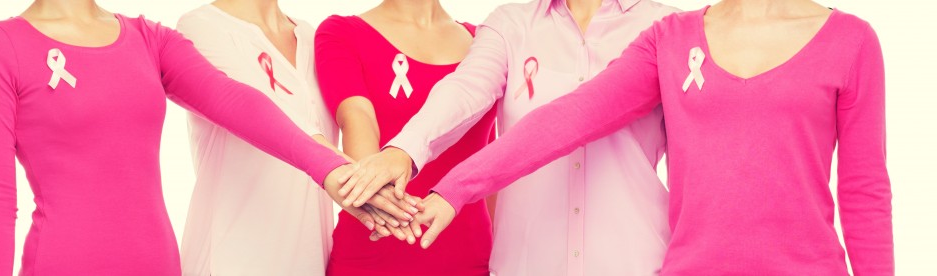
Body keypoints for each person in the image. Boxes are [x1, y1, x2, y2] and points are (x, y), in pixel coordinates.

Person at [413, 0, 893, 275]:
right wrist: (454, 189)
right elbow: (570, 117)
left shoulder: (851, 41)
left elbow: (864, 194)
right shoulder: (671, 38)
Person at [0, 0, 377, 274]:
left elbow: (235, 101)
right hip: (63, 264)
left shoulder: (148, 39)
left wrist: (332, 169)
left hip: (158, 264)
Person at [344, 0, 680, 274]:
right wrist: (404, 149)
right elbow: (465, 89)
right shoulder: (510, 25)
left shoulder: (668, 28)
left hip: (634, 262)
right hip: (526, 264)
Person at [173, 0, 418, 274]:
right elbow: (270, 116)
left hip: (310, 259)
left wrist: (378, 185)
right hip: (230, 259)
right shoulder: (201, 27)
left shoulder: (311, 36)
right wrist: (363, 185)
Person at [314, 0, 496, 274]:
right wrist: (381, 197)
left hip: (470, 258)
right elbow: (357, 119)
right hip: (372, 255)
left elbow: (489, 161)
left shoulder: (484, 43)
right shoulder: (342, 31)